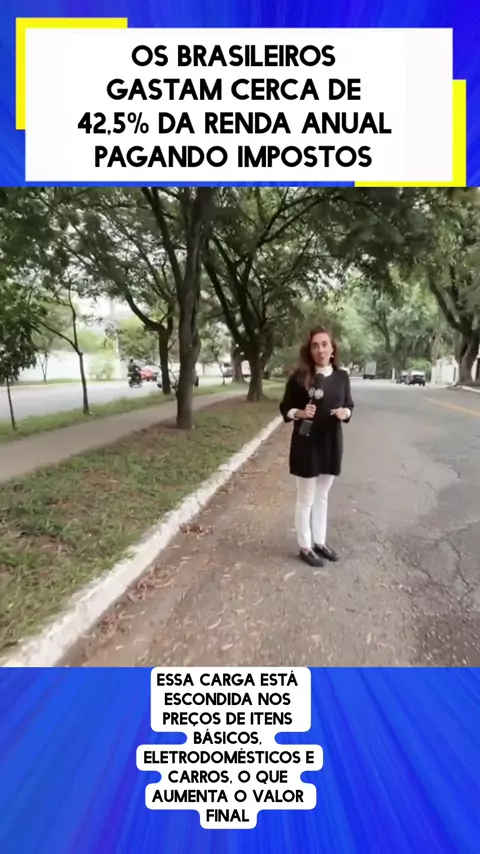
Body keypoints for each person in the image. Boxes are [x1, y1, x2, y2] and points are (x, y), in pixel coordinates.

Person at [279, 326, 354, 568]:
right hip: (306, 443)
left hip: (331, 442)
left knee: (322, 496)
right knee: (306, 498)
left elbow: (349, 404)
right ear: (309, 351)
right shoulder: (300, 378)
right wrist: (300, 412)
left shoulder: (342, 377)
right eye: (315, 346)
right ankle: (305, 546)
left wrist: (345, 412)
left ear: (332, 349)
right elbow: (285, 408)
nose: (320, 350)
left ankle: (320, 542)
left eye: (324, 344)